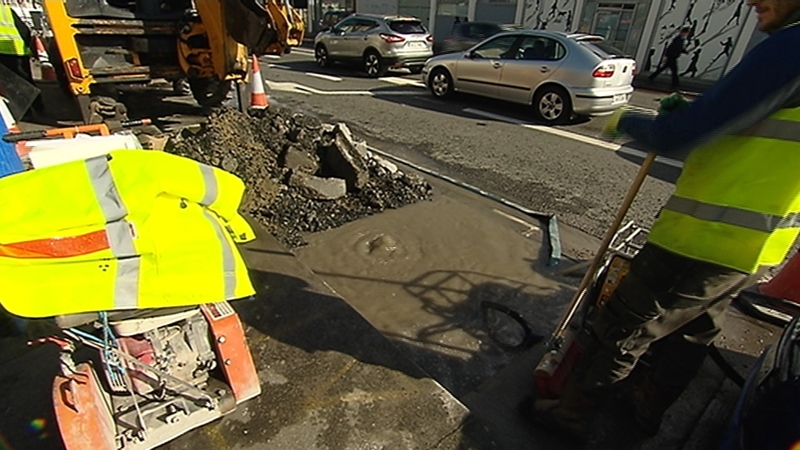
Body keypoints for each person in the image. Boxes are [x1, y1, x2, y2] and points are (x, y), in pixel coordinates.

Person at [527, 0, 800, 441]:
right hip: (755, 247)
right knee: (694, 331)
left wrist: (631, 121)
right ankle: (644, 410)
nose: (752, 1)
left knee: (624, 324)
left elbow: (682, 135)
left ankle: (569, 416)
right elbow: (744, 120)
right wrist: (697, 110)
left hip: (700, 237)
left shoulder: (792, 47)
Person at [0, 5, 44, 116]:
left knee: (12, 84)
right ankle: (39, 107)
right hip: (20, 51)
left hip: (3, 52)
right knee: (27, 81)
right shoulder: (7, 10)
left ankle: (26, 112)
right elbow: (24, 30)